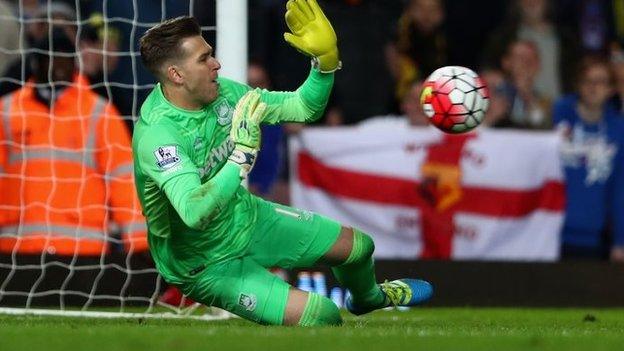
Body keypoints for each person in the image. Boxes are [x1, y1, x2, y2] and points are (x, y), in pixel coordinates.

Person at [133, 0, 433, 327]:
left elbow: (303, 108)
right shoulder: (159, 136)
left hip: (247, 219)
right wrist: (241, 155)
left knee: (359, 248)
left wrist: (325, 63)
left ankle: (369, 298)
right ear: (176, 74)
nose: (216, 64)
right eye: (204, 59)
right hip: (203, 264)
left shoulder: (224, 95)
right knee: (323, 316)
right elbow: (194, 212)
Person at [0, 29, 147, 256]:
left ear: (74, 62)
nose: (57, 63)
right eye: (50, 55)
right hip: (17, 249)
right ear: (35, 62)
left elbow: (124, 178)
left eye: (64, 56)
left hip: (82, 251)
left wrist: (139, 243)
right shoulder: (7, 111)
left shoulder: (99, 112)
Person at [553, 56, 624, 262]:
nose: (594, 87)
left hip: (595, 237)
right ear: (578, 85)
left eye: (601, 82)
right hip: (551, 232)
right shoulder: (558, 115)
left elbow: (620, 188)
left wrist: (620, 240)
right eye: (588, 81)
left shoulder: (618, 129)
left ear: (611, 89)